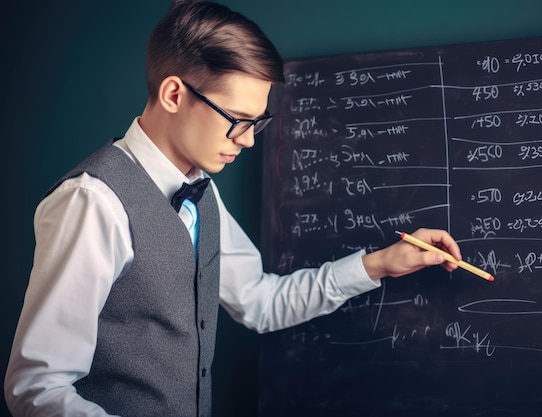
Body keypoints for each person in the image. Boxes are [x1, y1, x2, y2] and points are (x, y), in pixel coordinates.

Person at [4, 1, 462, 416]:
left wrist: (380, 264)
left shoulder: (202, 189)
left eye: (257, 123)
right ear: (173, 94)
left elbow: (260, 302)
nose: (245, 140)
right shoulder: (92, 201)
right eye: (237, 121)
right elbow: (37, 387)